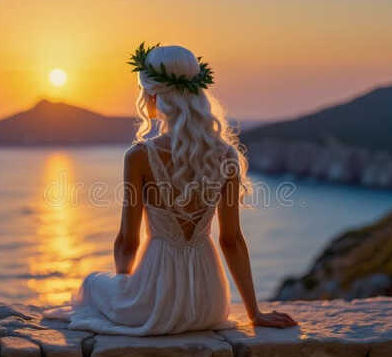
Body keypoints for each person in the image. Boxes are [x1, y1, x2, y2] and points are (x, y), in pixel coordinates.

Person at [66, 43, 299, 336]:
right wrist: (255, 313)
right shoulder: (226, 155)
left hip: (156, 300)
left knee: (91, 283)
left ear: (153, 95)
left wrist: (125, 288)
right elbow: (232, 240)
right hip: (208, 302)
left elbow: (127, 240)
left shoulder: (140, 156)